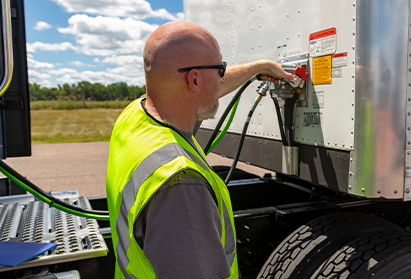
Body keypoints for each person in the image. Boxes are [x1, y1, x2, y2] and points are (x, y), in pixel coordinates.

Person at [106, 21, 293, 279]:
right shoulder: (180, 185)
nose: (223, 79)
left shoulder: (134, 118)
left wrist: (258, 68)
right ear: (194, 79)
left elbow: (209, 88)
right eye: (220, 69)